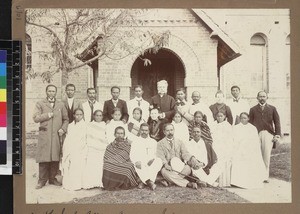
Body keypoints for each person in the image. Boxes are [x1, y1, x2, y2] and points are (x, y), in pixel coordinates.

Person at [33, 84, 69, 189]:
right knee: (44, 157)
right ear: (46, 92)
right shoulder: (40, 103)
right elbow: (35, 118)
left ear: (56, 92)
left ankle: (52, 179)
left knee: (55, 156)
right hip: (45, 135)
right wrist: (47, 115)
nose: (51, 93)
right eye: (49, 91)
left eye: (53, 91)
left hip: (57, 135)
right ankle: (42, 180)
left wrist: (63, 128)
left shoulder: (60, 104)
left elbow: (66, 119)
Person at [249, 91, 281, 182]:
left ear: (267, 98)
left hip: (268, 134)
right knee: (256, 154)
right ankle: (257, 175)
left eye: (264, 96)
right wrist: (250, 135)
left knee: (266, 155)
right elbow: (250, 123)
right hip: (256, 134)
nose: (262, 98)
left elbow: (277, 122)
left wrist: (277, 134)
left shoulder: (272, 108)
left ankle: (265, 176)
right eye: (260, 96)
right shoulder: (253, 109)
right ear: (257, 98)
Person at [156, 123, 199, 189]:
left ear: (174, 130)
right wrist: (165, 164)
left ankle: (170, 181)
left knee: (188, 168)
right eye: (167, 131)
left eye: (171, 130)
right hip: (169, 168)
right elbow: (161, 156)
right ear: (164, 132)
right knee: (164, 171)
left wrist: (192, 158)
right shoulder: (160, 143)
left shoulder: (179, 142)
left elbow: (185, 153)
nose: (170, 132)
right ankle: (187, 183)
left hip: (180, 167)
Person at [231, 112, 266, 189]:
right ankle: (236, 181)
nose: (243, 120)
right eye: (241, 118)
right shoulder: (236, 127)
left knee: (249, 160)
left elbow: (255, 141)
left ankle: (248, 179)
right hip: (238, 148)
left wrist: (248, 147)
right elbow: (233, 139)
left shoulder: (252, 128)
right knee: (237, 159)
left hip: (249, 149)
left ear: (248, 118)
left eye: (245, 118)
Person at [130, 123, 162, 190]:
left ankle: (143, 182)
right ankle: (150, 182)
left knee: (159, 161)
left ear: (149, 131)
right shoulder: (135, 142)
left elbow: (157, 154)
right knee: (139, 165)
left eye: (146, 130)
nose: (144, 132)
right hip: (140, 162)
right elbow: (132, 155)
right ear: (139, 130)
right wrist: (136, 161)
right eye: (142, 130)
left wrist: (153, 159)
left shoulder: (153, 142)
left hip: (151, 163)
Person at [62, 108, 87, 191]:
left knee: (77, 163)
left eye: (80, 115)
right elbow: (68, 138)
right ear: (73, 115)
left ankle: (77, 184)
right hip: (70, 147)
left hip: (80, 148)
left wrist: (77, 147)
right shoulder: (70, 125)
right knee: (68, 162)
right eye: (77, 114)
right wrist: (68, 148)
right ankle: (68, 183)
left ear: (83, 115)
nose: (78, 116)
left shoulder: (85, 125)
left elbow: (83, 138)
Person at [82, 110, 108, 189]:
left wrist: (103, 145)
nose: (98, 117)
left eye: (100, 116)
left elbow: (105, 136)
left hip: (102, 148)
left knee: (100, 166)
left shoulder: (105, 125)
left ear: (102, 117)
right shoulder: (90, 125)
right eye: (97, 115)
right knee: (92, 165)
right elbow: (88, 136)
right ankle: (90, 183)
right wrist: (92, 145)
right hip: (92, 148)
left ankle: (100, 183)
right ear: (94, 116)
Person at [210, 111, 234, 187]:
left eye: (221, 116)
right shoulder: (213, 125)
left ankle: (224, 182)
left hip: (224, 146)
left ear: (224, 117)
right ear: (216, 117)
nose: (219, 118)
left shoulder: (227, 125)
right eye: (218, 116)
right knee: (216, 161)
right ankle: (215, 180)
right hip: (215, 145)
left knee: (224, 162)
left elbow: (230, 138)